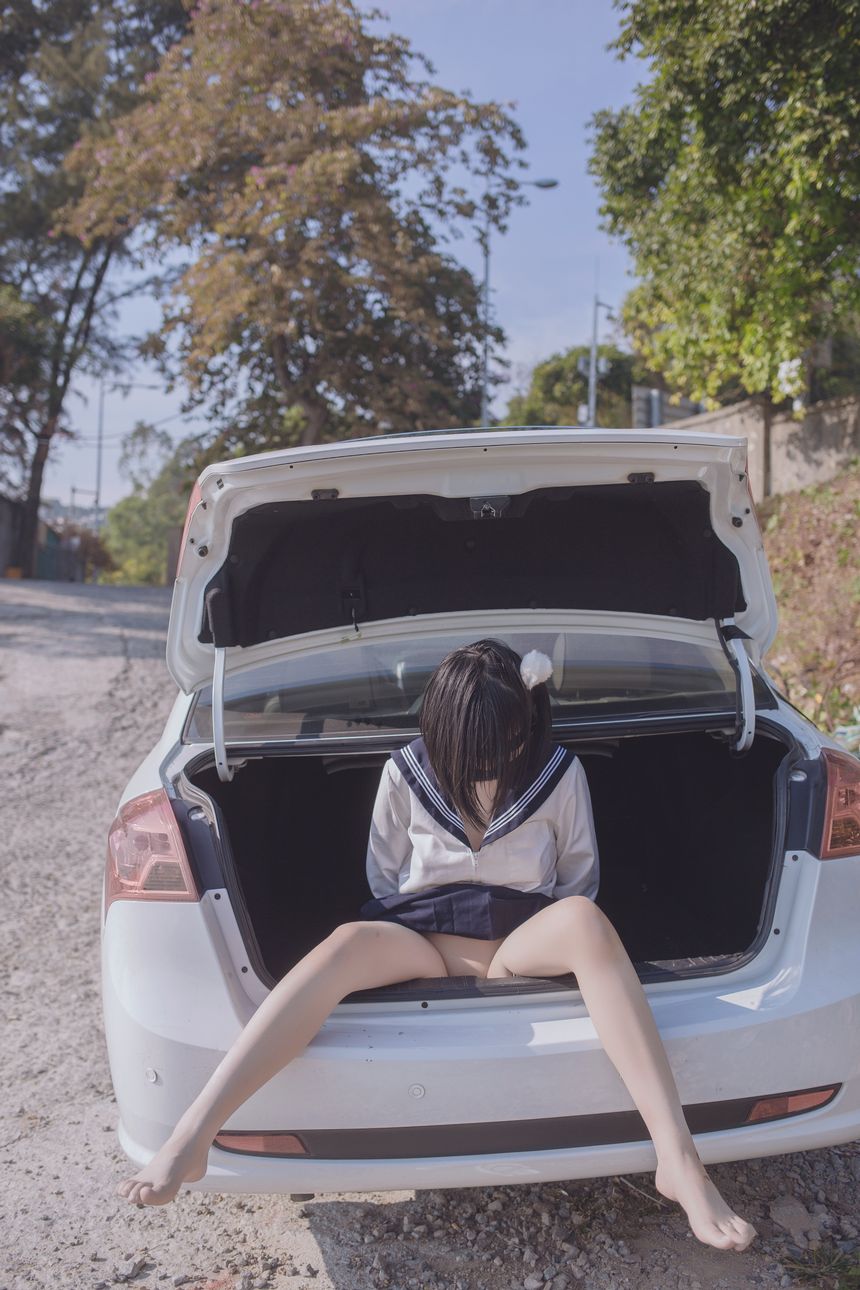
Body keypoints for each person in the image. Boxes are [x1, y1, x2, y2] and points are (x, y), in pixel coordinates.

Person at [118, 639, 756, 1253]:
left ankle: (679, 1159)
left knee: (586, 919)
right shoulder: (405, 769)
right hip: (421, 941)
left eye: (500, 740)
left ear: (524, 721)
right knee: (342, 945)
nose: (483, 756)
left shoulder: (560, 772)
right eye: (466, 743)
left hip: (519, 943)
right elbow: (383, 876)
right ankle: (194, 1134)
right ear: (439, 727)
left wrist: (525, 935)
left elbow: (577, 878)